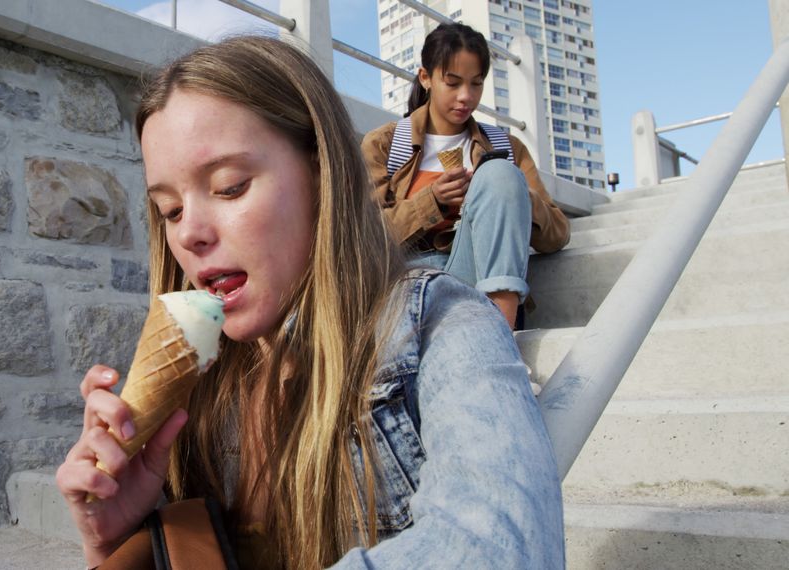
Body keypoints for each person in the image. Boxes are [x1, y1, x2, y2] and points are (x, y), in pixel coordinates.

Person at [56, 35, 564, 569]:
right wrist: (116, 546)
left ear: (323, 176)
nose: (191, 234)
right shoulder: (198, 396)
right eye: (171, 209)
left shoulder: (442, 328)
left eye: (229, 187)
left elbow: (501, 551)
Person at [361, 23, 570, 329]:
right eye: (453, 82)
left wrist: (506, 194)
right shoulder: (385, 144)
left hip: (482, 279)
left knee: (499, 175)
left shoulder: (505, 147)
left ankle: (502, 335)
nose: (465, 97)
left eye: (476, 84)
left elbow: (557, 234)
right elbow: (364, 238)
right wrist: (432, 201)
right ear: (426, 78)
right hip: (410, 281)